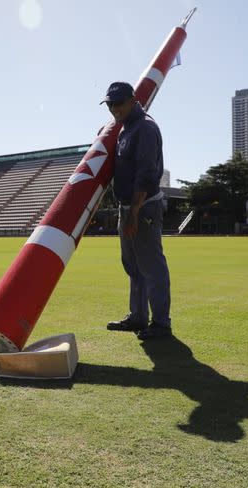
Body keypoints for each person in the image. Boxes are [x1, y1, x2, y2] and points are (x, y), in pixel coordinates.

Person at [102, 81, 172, 340]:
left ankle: (161, 324)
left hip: (143, 207)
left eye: (118, 103)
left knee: (152, 266)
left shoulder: (145, 127)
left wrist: (133, 213)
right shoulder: (127, 128)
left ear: (133, 100)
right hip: (128, 206)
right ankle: (139, 317)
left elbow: (146, 174)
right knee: (132, 265)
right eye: (110, 104)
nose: (114, 109)